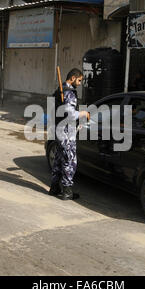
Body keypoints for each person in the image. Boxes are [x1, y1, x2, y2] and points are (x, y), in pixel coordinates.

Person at [50, 68, 89, 200]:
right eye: (79, 80)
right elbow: (70, 114)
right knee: (69, 160)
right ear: (72, 78)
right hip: (66, 131)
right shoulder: (69, 93)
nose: (79, 83)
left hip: (58, 128)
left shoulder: (59, 91)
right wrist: (84, 114)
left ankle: (54, 187)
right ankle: (67, 191)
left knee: (58, 159)